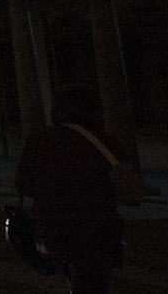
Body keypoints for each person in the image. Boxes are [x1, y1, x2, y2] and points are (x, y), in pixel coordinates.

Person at [16, 83, 126, 294]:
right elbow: (122, 180)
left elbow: (24, 183)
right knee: (97, 281)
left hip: (57, 227)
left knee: (75, 276)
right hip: (99, 226)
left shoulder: (40, 140)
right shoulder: (105, 141)